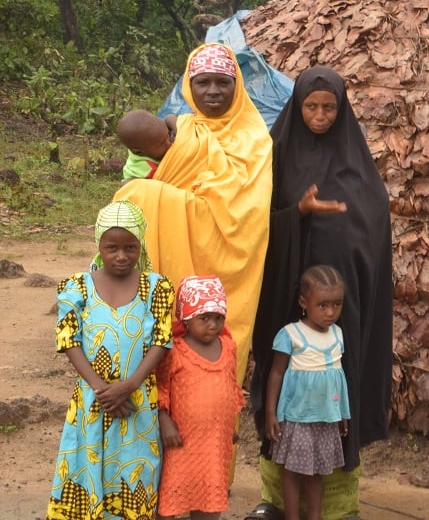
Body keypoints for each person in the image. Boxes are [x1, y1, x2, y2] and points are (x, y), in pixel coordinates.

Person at [248, 66, 393, 520]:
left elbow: (373, 223)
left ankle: (337, 505)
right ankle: (276, 500)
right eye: (311, 106)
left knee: (336, 388)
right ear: (297, 106)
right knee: (285, 387)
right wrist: (299, 214)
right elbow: (255, 219)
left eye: (329, 107)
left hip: (342, 306)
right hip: (287, 297)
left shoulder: (357, 162)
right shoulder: (277, 154)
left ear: (342, 107)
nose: (320, 115)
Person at [114, 42, 272, 387]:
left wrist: (146, 193)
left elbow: (244, 211)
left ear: (237, 85)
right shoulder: (179, 130)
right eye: (202, 82)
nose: (212, 91)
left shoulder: (255, 139)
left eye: (222, 82)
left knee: (214, 371)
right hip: (175, 250)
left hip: (231, 261)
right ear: (189, 85)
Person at [45, 200, 175, 519]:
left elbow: (162, 341)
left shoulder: (156, 288)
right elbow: (69, 340)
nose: (121, 255)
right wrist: (103, 389)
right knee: (86, 473)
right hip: (93, 401)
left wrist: (129, 385)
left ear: (140, 244)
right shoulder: (77, 287)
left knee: (134, 472)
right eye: (111, 247)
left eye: (130, 247)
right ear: (99, 245)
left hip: (137, 401)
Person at [265, 265, 351, 520]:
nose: (330, 312)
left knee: (317, 473)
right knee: (292, 472)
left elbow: (338, 380)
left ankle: (314, 516)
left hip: (325, 420)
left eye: (337, 304)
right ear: (304, 302)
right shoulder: (291, 335)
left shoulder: (338, 335)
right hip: (297, 419)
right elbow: (276, 373)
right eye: (322, 305)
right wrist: (271, 413)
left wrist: (342, 413)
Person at [157, 275, 244, 520]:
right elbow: (161, 388)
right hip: (181, 440)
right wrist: (164, 420)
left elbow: (230, 388)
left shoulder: (228, 346)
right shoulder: (174, 350)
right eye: (203, 318)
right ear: (186, 318)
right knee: (171, 494)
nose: (212, 325)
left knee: (210, 494)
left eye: (218, 318)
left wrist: (231, 426)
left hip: (215, 441)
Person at [117, 109, 177, 181]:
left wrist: (180, 134)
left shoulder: (156, 136)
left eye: (168, 135)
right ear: (139, 152)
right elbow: (128, 185)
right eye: (161, 144)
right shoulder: (141, 170)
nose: (169, 144)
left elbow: (169, 118)